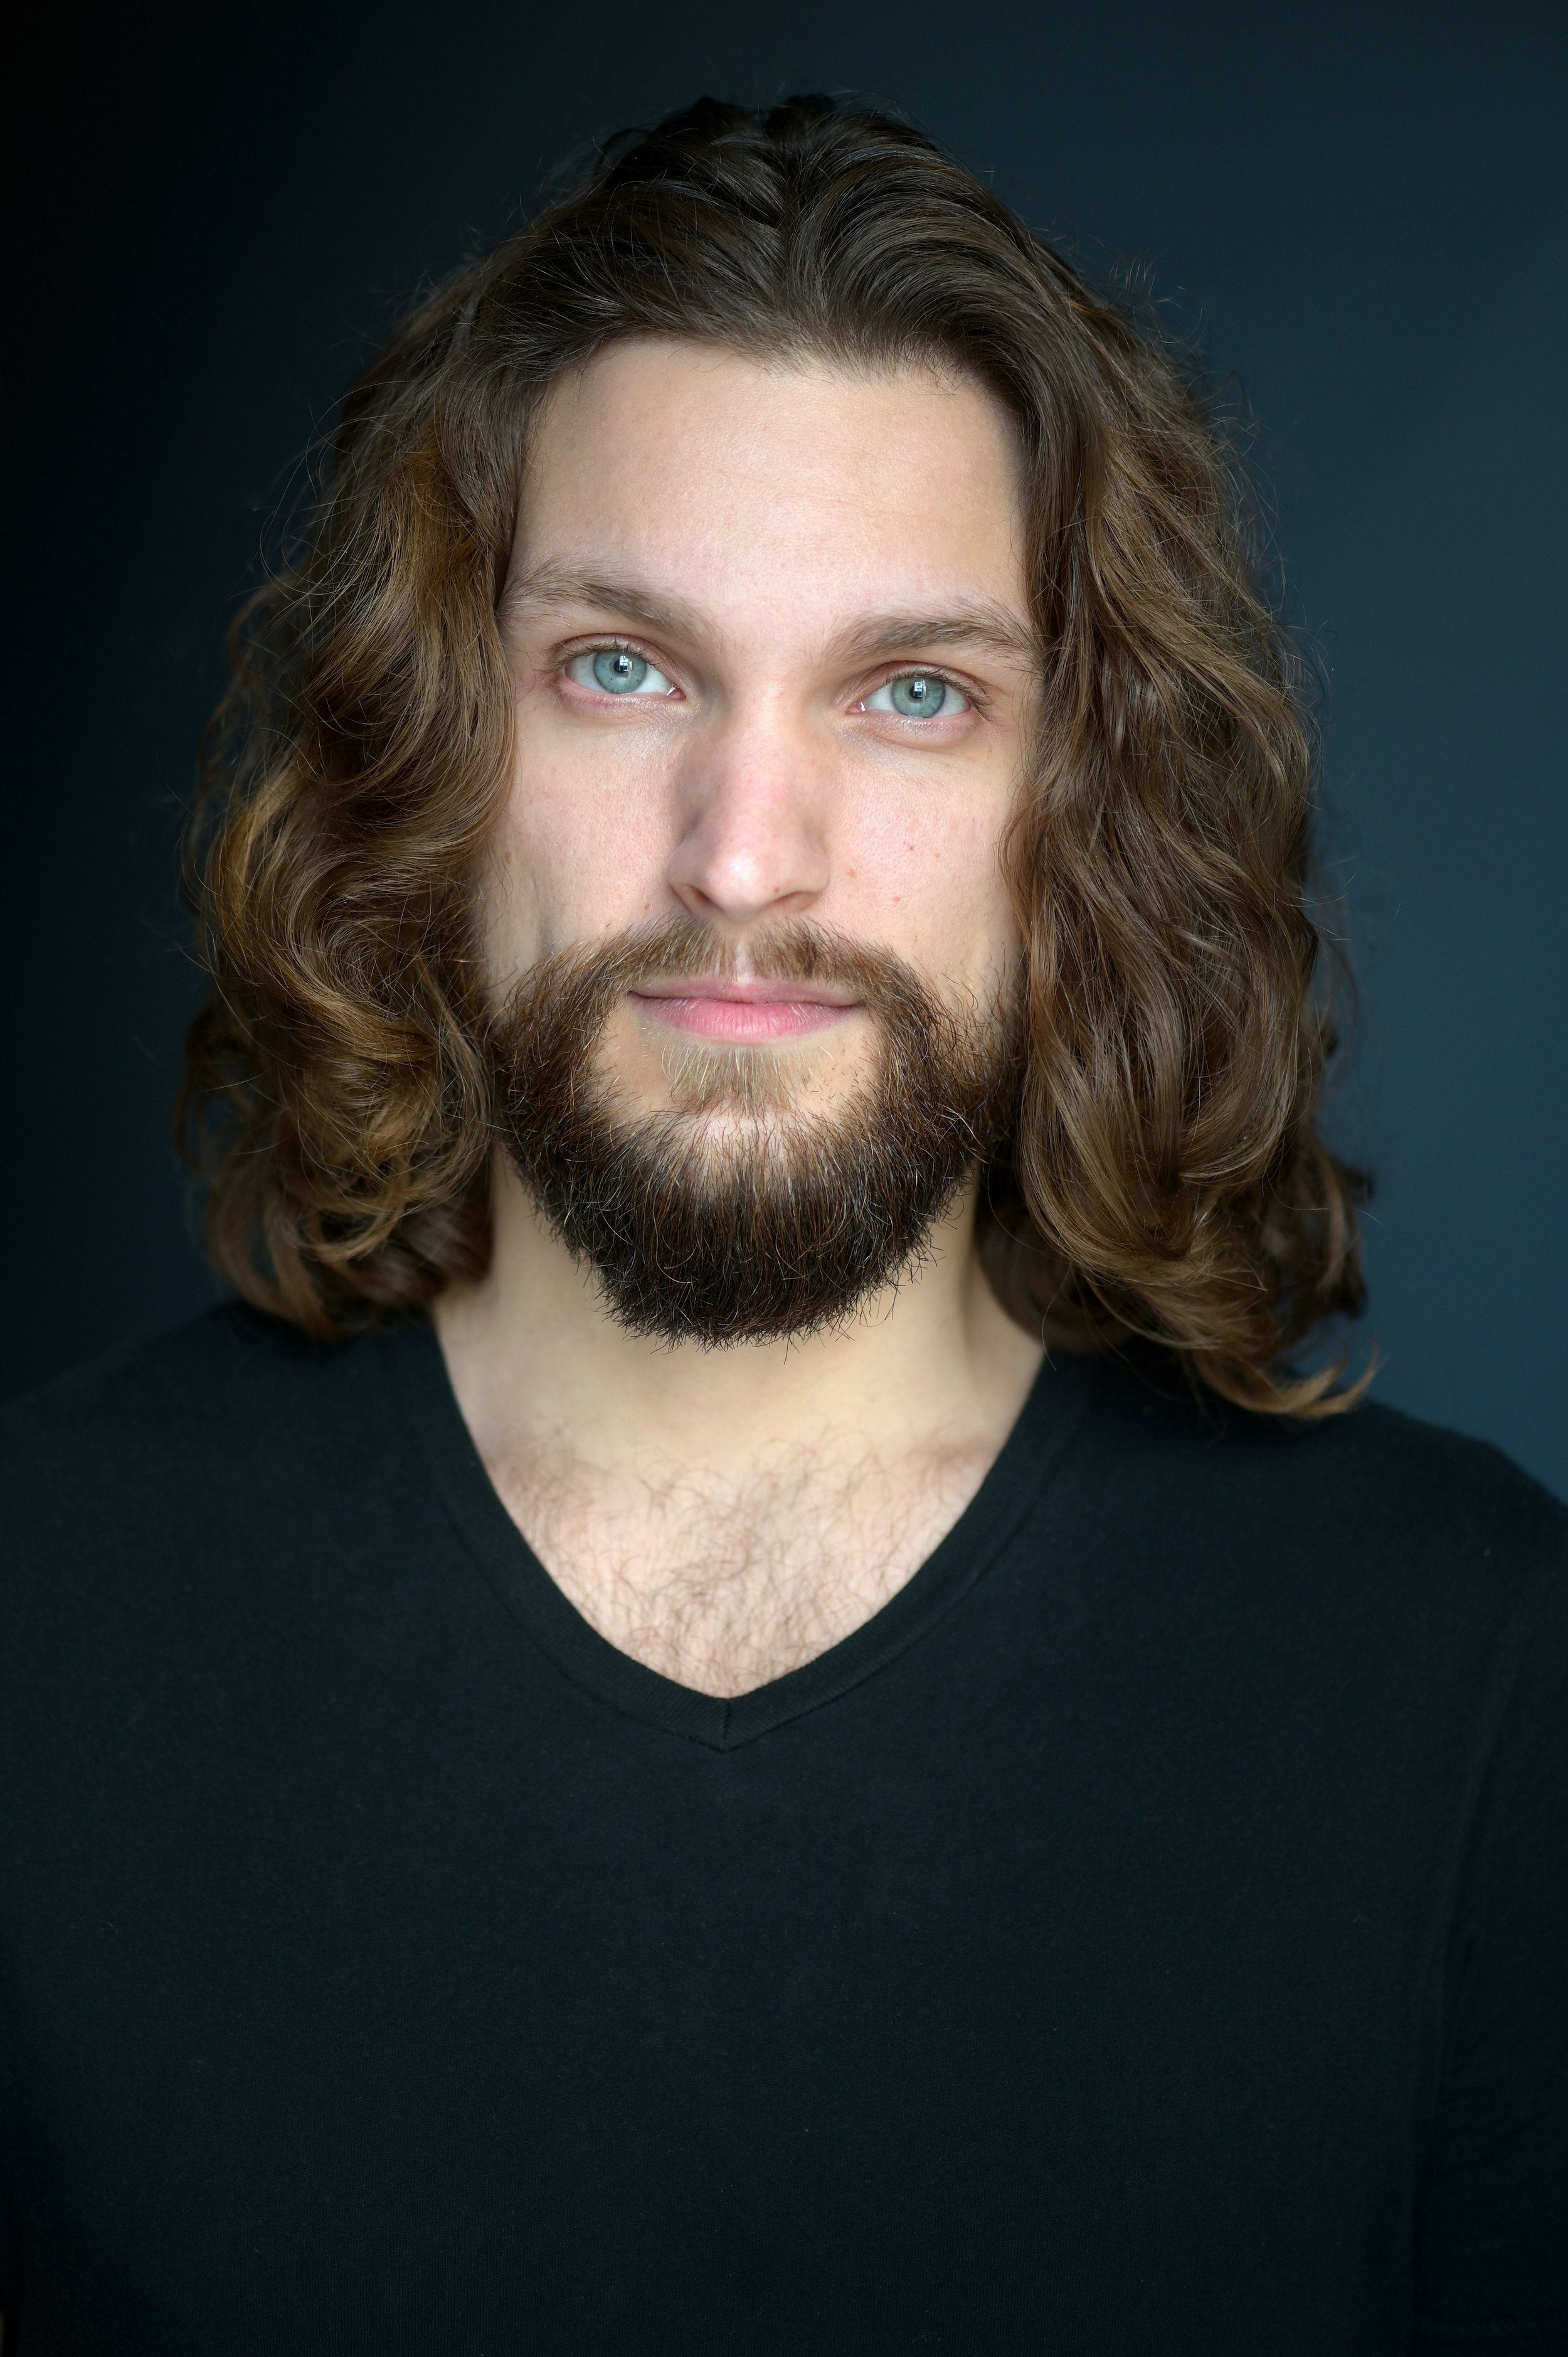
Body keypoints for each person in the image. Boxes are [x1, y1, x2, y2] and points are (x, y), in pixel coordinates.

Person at [1, 93, 1562, 2354]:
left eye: (911, 694)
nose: (743, 854)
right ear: (437, 748)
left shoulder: (1476, 1680)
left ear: (1084, 808)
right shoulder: (39, 1616)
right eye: (621, 667)